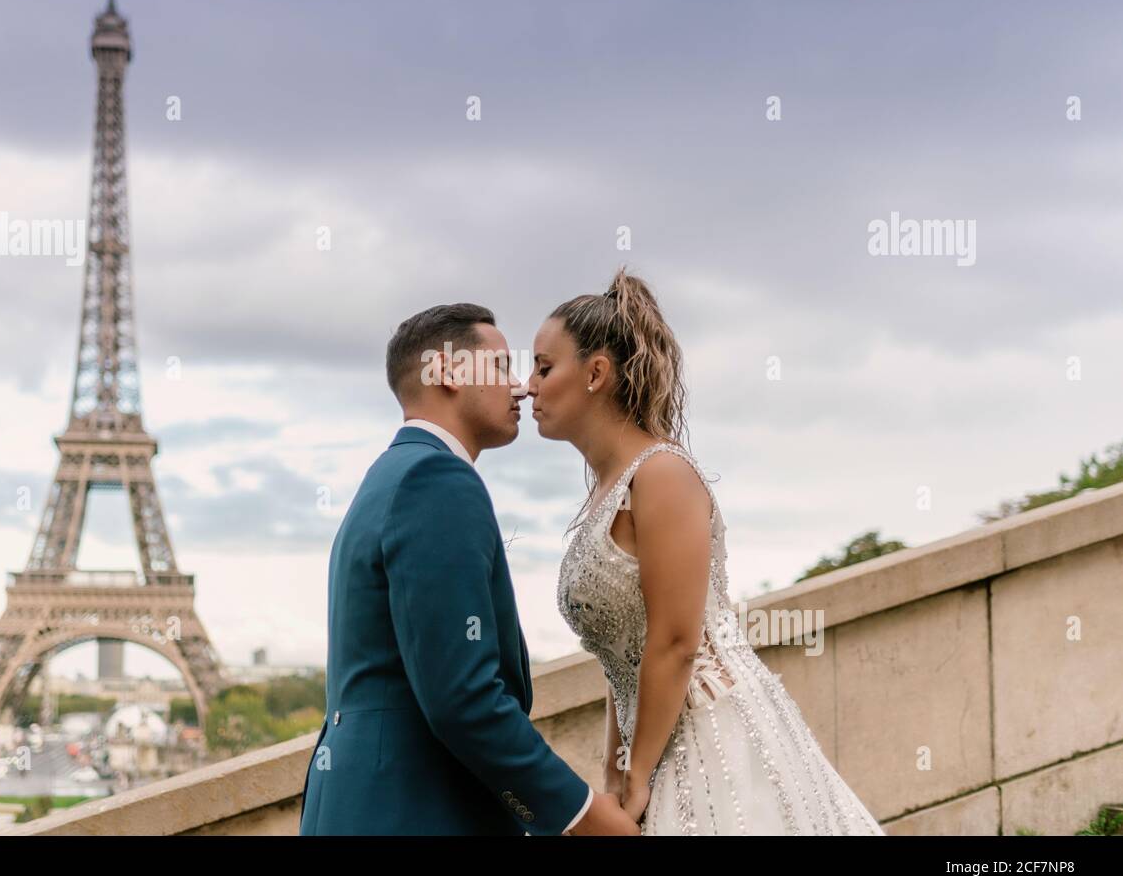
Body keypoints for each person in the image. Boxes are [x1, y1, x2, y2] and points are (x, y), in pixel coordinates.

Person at [527, 266, 885, 836]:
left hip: (715, 736)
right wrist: (615, 772)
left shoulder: (662, 474)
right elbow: (624, 656)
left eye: (544, 368)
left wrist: (636, 775)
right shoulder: (604, 493)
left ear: (596, 373)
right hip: (651, 746)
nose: (528, 386)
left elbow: (674, 641)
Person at [299, 303, 637, 836]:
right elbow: (463, 699)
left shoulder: (388, 477)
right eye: (502, 367)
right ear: (451, 373)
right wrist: (581, 815)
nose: (521, 388)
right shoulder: (436, 479)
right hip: (415, 813)